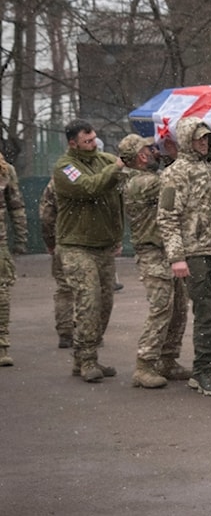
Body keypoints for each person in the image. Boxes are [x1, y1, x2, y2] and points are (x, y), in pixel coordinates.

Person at [158, 117, 211, 397]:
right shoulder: (174, 173)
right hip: (195, 253)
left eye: (206, 139)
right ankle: (202, 371)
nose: (203, 144)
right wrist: (177, 256)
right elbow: (167, 217)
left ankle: (210, 365)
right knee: (206, 313)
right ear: (186, 141)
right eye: (198, 139)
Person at [51, 119, 123, 382]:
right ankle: (86, 359)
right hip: (76, 246)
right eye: (87, 141)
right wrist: (115, 169)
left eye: (94, 139)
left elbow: (122, 179)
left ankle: (85, 357)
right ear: (73, 143)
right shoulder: (65, 167)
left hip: (103, 245)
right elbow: (88, 187)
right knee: (88, 301)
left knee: (105, 303)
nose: (93, 144)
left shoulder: (103, 159)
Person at [120, 133, 191, 388]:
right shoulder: (139, 182)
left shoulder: (148, 178)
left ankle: (167, 359)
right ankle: (145, 364)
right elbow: (175, 181)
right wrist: (177, 156)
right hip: (152, 252)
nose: (154, 152)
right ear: (140, 155)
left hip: (169, 251)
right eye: (150, 149)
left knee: (179, 309)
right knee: (161, 308)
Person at [39, 180, 74, 348]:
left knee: (64, 288)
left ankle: (65, 332)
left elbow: (46, 216)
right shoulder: (95, 177)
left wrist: (50, 241)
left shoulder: (56, 181)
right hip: (89, 243)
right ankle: (88, 331)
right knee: (89, 289)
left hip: (63, 241)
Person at [0, 151, 28, 366]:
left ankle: (2, 344)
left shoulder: (5, 170)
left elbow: (16, 206)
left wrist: (21, 238)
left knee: (2, 293)